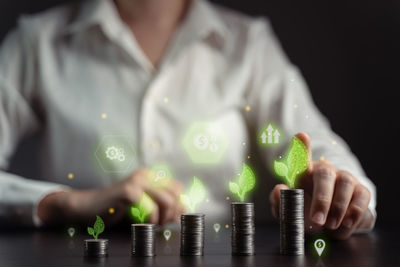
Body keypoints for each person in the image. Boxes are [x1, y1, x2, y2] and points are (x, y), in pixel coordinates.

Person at [0, 0, 375, 239]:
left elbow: (319, 149)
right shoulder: (38, 43)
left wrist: (339, 190)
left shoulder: (248, 44)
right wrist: (66, 203)